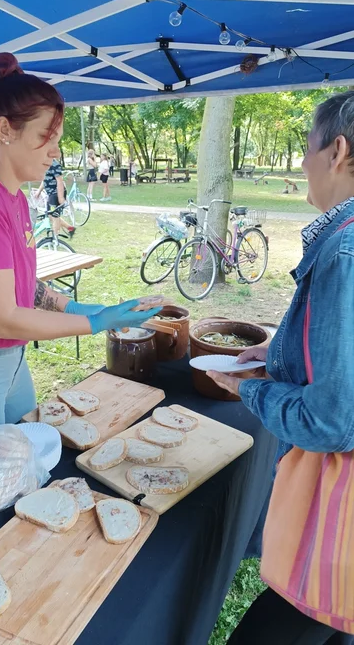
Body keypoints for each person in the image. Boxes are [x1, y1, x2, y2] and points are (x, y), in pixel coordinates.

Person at [0, 52, 161, 451]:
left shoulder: (11, 194)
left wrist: (78, 308)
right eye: (46, 137)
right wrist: (95, 325)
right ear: (6, 130)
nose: (54, 152)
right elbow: (1, 320)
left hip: (10, 359)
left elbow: (20, 289)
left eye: (58, 140)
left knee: (24, 459)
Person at [208, 91, 354, 644]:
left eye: (307, 148)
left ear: (336, 150)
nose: (301, 163)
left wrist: (252, 390)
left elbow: (331, 421)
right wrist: (279, 355)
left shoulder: (344, 250)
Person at [35, 159, 75, 238]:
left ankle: (55, 239)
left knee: (54, 216)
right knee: (50, 215)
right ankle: (70, 228)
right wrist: (39, 191)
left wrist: (61, 198)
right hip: (51, 194)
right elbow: (45, 179)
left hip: (56, 193)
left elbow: (60, 181)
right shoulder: (44, 163)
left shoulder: (54, 164)